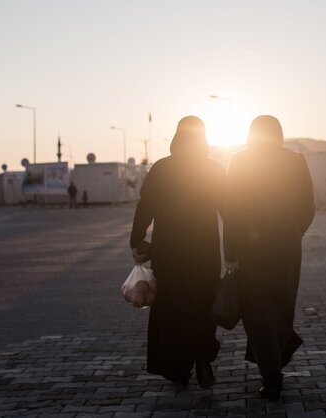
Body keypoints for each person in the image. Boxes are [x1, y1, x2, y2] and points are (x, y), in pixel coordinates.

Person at [129, 116, 225, 389]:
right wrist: (236, 247)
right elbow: (229, 210)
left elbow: (144, 207)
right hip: (204, 252)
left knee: (172, 309)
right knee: (204, 306)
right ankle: (203, 355)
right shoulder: (213, 169)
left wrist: (136, 239)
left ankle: (178, 369)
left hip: (170, 252)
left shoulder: (162, 168)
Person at [224, 115, 315, 401]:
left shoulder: (240, 161)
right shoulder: (295, 161)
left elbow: (231, 209)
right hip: (287, 250)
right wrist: (293, 232)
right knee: (281, 308)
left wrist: (231, 253)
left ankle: (272, 374)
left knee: (257, 312)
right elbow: (308, 207)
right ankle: (273, 363)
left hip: (252, 252)